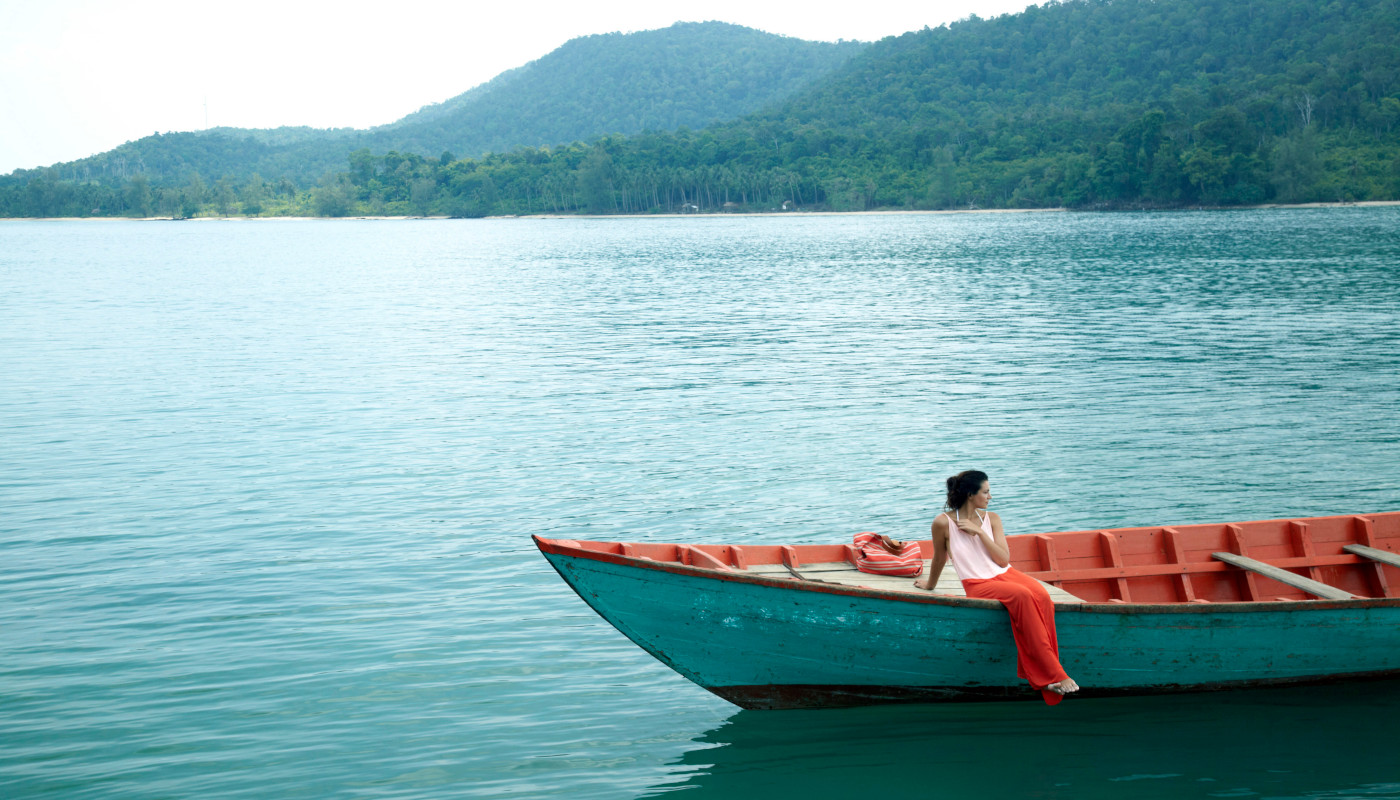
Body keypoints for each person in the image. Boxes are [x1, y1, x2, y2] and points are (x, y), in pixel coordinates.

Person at [913, 470, 1080, 705]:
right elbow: (939, 558)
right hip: (977, 583)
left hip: (1005, 574)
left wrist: (980, 532)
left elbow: (1002, 560)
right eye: (986, 492)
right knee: (1022, 596)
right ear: (971, 494)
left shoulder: (991, 519)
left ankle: (1044, 673)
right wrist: (930, 585)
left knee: (1041, 595)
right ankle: (1054, 673)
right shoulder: (943, 522)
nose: (990, 496)